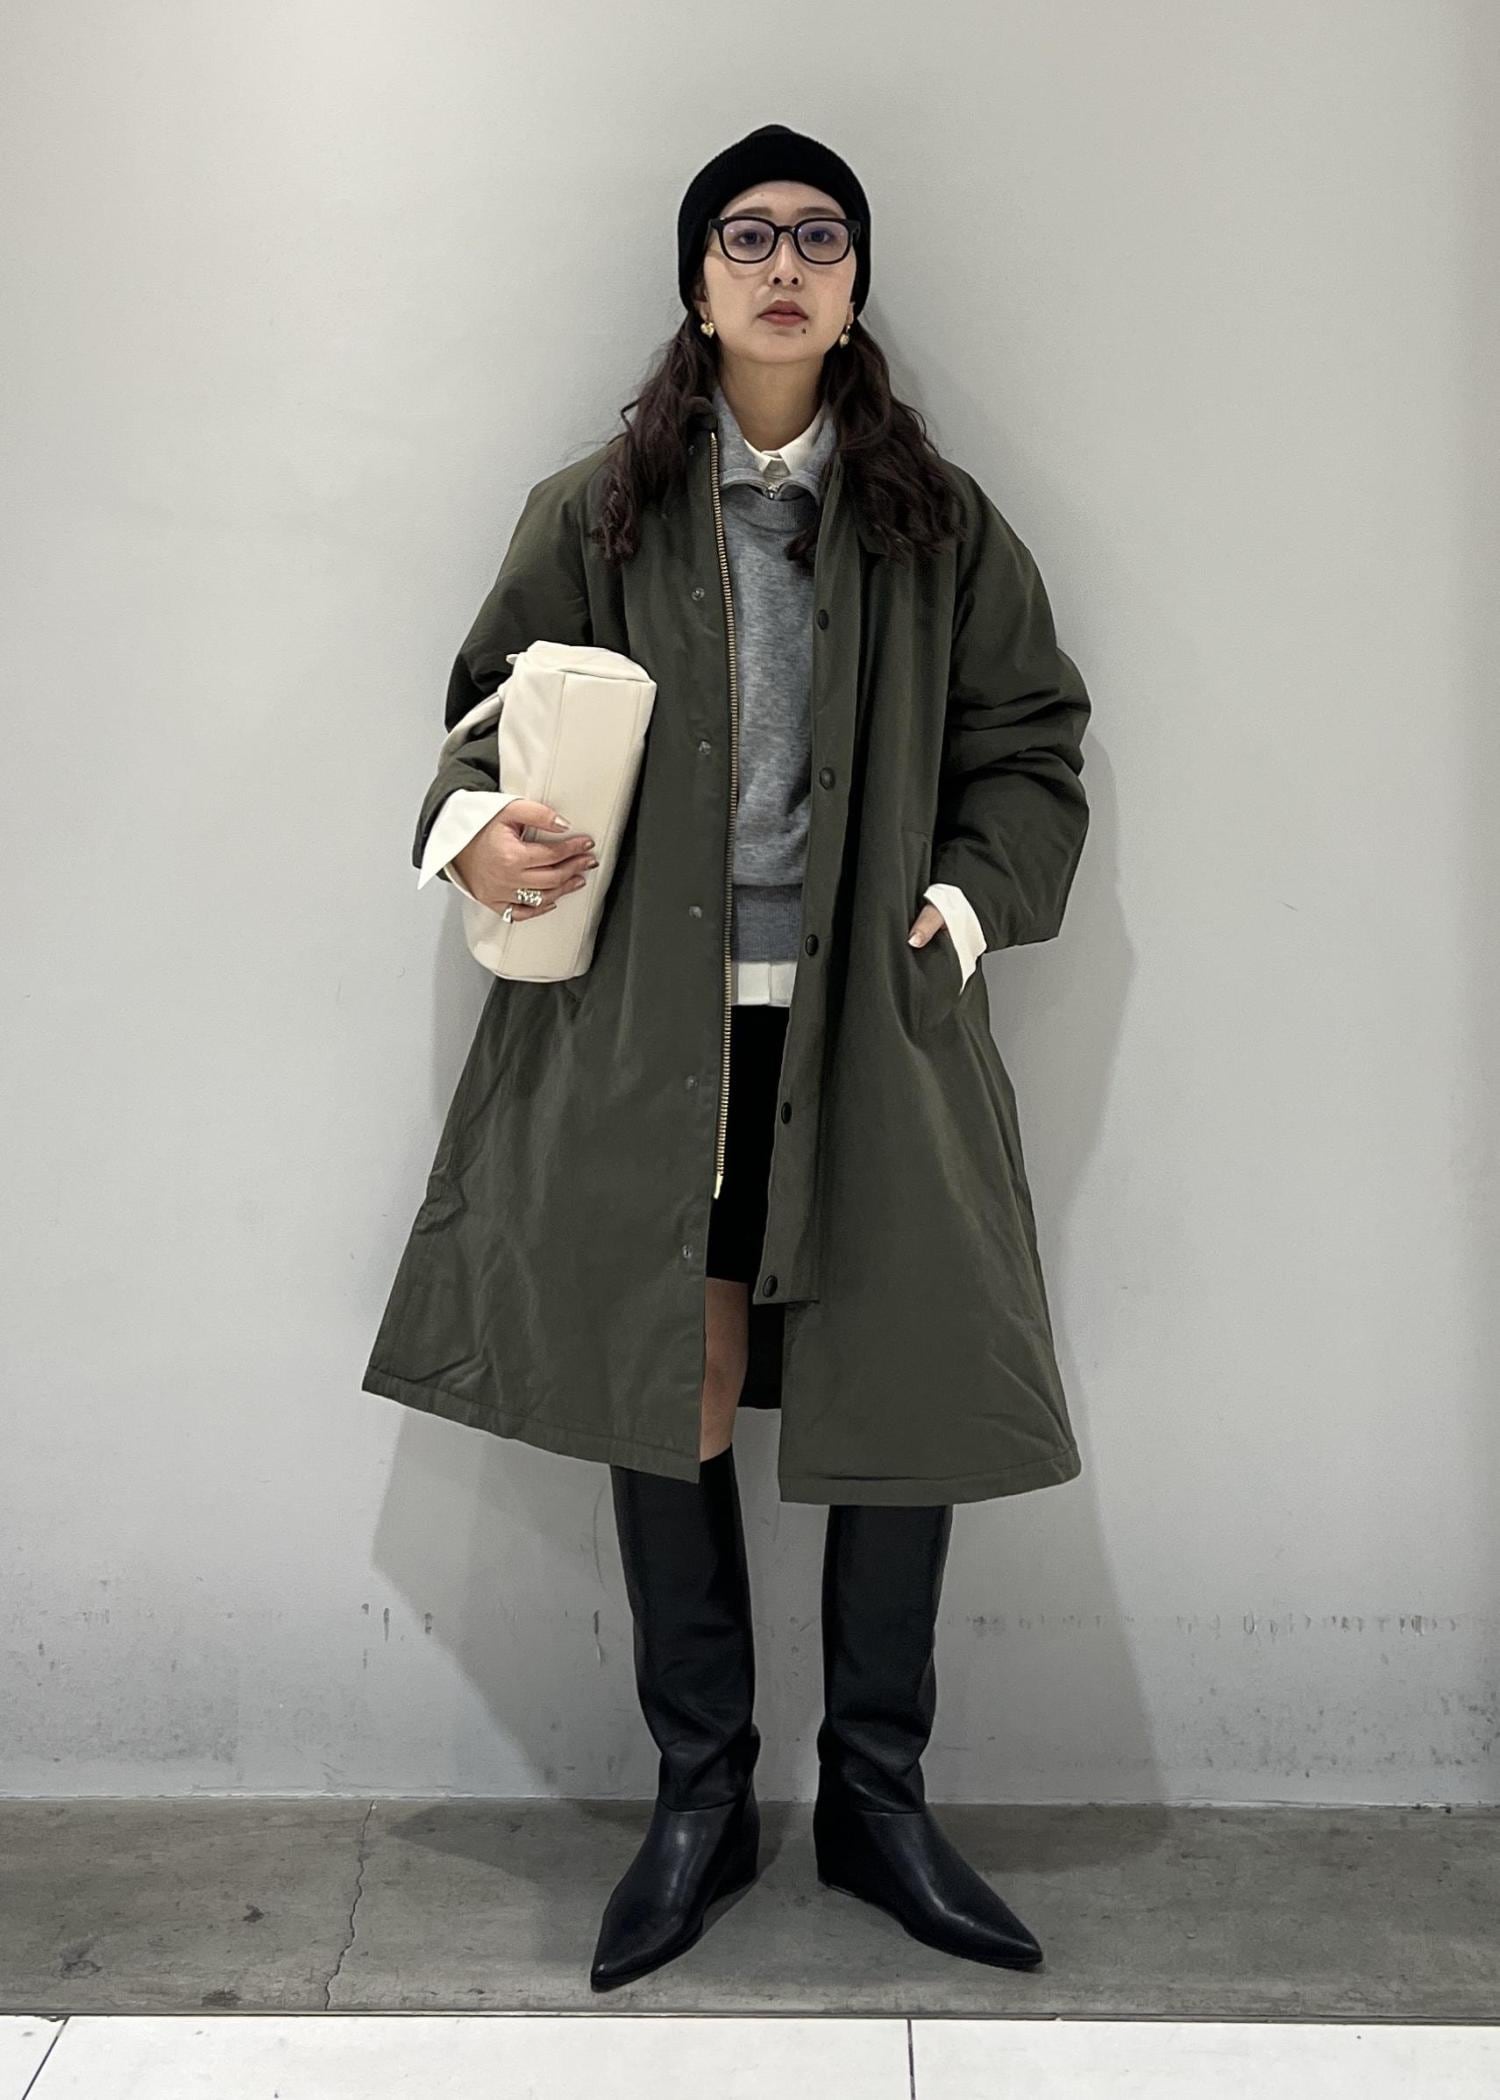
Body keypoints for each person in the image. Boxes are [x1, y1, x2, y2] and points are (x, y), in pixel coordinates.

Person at [363, 123, 1092, 1993]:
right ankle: (700, 1796)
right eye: (747, 236)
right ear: (697, 285)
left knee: (899, 1383)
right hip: (650, 1034)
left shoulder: (939, 524)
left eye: (820, 237)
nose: (784, 264)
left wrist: (964, 907)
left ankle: (877, 1800)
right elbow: (479, 717)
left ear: (855, 288)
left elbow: (1032, 744)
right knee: (665, 1374)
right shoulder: (595, 512)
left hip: (877, 1031)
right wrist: (475, 834)